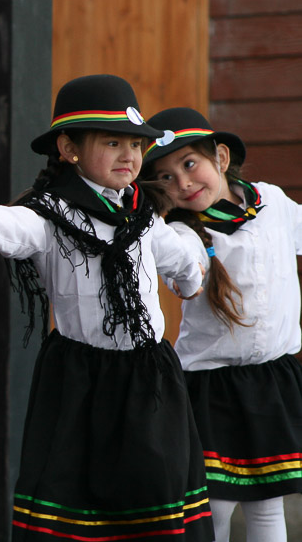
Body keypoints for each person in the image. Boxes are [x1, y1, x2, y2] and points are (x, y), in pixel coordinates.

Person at [0, 74, 214, 541]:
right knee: (74, 498)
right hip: (79, 382)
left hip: (149, 380)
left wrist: (193, 274)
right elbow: (15, 225)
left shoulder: (143, 217)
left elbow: (181, 264)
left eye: (135, 144)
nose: (129, 155)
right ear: (69, 149)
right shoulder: (52, 214)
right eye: (113, 143)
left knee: (154, 493)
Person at [141, 107, 302, 542]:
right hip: (210, 388)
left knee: (268, 505)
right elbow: (182, 268)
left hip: (272, 380)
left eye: (190, 164)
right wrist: (181, 263)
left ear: (221, 157)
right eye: (166, 177)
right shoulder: (184, 233)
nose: (183, 182)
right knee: (214, 506)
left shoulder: (271, 202)